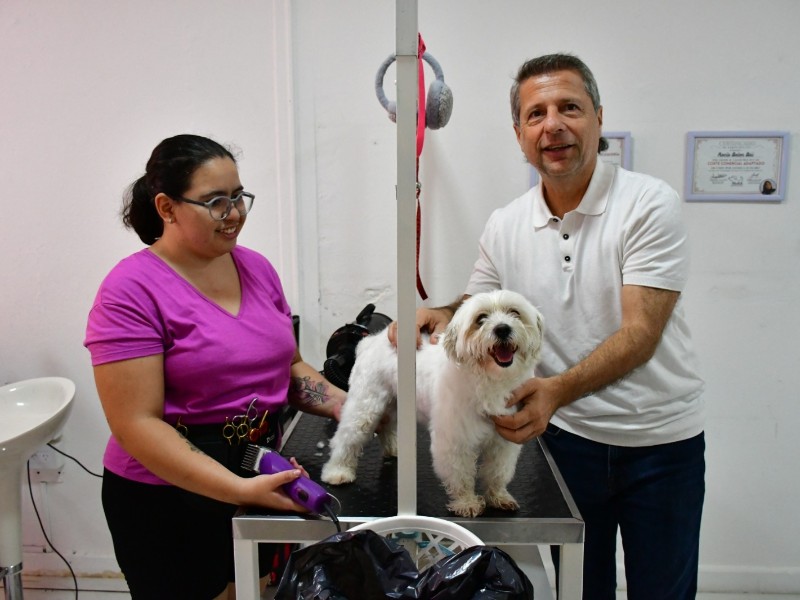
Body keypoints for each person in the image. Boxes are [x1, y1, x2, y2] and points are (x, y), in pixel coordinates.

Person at [391, 54, 705, 599]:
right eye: (535, 114)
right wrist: (440, 313)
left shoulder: (648, 204)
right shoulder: (506, 223)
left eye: (569, 108)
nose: (552, 125)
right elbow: (476, 300)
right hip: (567, 442)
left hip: (658, 443)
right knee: (581, 589)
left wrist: (555, 391)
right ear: (519, 133)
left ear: (599, 118)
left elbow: (641, 335)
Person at [84, 134, 346, 600]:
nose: (235, 213)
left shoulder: (257, 269)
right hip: (165, 498)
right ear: (166, 208)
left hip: (255, 471)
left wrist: (352, 407)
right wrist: (238, 491)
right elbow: (136, 424)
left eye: (239, 196)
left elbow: (290, 368)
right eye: (216, 202)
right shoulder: (130, 290)